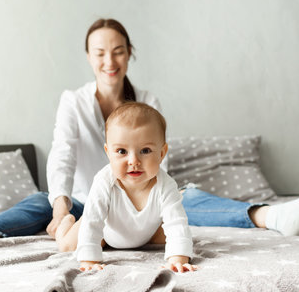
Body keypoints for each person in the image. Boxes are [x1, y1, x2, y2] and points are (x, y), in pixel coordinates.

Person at [0, 18, 299, 245]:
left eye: (117, 51)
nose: (108, 61)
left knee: (189, 194)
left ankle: (277, 217)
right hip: (85, 199)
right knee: (40, 201)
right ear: (89, 58)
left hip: (144, 195)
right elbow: (62, 157)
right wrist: (60, 208)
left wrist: (156, 206)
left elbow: (162, 165)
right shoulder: (73, 102)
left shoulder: (149, 102)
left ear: (128, 54)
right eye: (99, 52)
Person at [55, 102, 198, 273]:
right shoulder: (103, 181)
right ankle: (65, 224)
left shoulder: (166, 184)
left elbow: (176, 223)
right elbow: (93, 222)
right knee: (69, 245)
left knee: (175, 237)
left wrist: (178, 260)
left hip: (147, 233)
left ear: (161, 153)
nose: (133, 161)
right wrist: (90, 260)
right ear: (108, 153)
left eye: (145, 151)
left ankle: (150, 241)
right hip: (106, 233)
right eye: (122, 151)